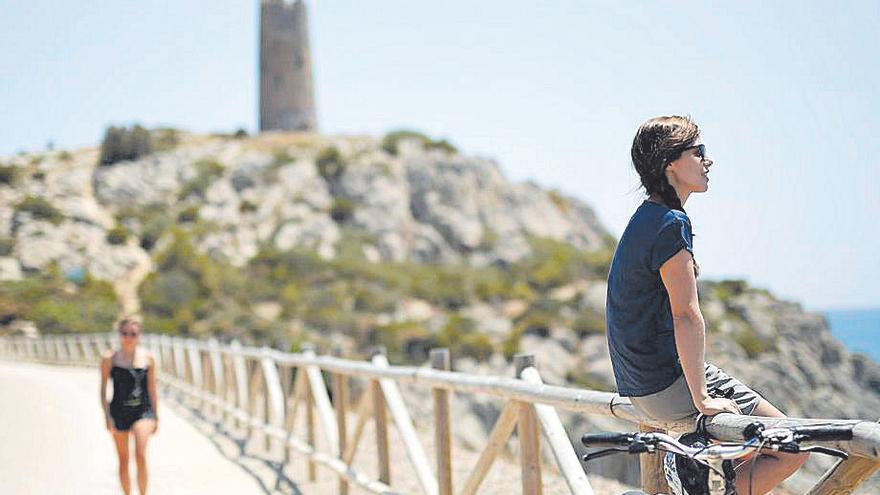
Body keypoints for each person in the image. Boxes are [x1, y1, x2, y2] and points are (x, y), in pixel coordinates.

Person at [605, 115, 807, 494]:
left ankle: (694, 467)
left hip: (640, 392)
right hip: (669, 388)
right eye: (698, 151)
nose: (707, 160)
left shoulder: (643, 219)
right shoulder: (670, 222)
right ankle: (698, 476)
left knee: (749, 447)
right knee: (791, 445)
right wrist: (703, 397)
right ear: (670, 163)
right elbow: (686, 315)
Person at [100, 319, 159, 495]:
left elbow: (152, 388)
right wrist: (107, 415)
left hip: (143, 411)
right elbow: (103, 390)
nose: (128, 338)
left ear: (139, 336)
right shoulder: (109, 358)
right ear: (119, 335)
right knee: (124, 459)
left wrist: (156, 416)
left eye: (133, 334)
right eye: (125, 333)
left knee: (140, 455)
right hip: (118, 411)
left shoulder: (148, 358)